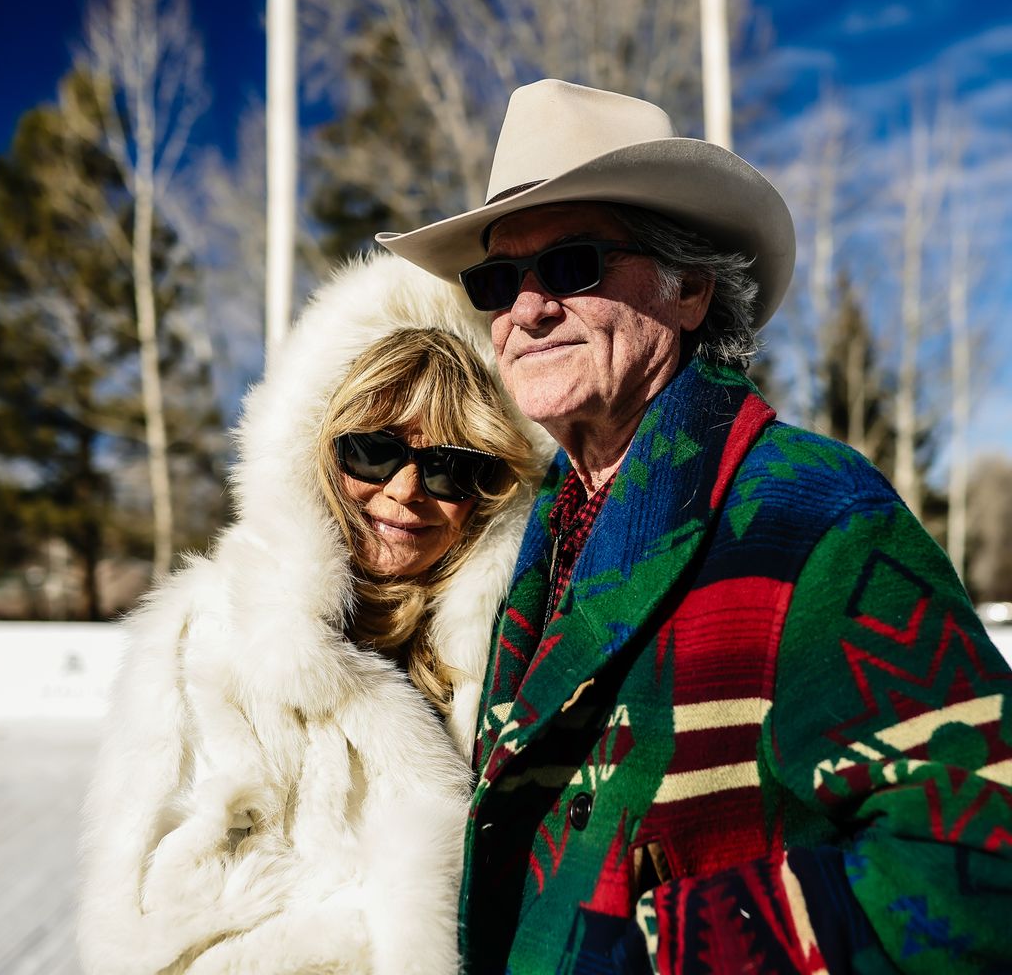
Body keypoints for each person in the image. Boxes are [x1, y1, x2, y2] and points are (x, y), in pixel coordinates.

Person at [377, 80, 1012, 974]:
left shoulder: (814, 513)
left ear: (688, 290)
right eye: (496, 280)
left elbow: (979, 861)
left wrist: (641, 953)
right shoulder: (512, 534)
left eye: (571, 265)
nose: (525, 310)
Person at [77, 253, 549, 975]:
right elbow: (147, 935)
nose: (405, 492)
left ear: (492, 491)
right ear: (316, 451)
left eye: (454, 466)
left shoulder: (520, 650)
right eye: (372, 450)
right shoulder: (211, 642)